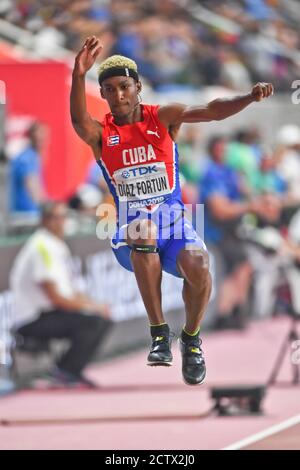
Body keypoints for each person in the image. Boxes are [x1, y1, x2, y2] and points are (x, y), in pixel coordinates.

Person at [70, 36, 273, 385]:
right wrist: (77, 76)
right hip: (131, 232)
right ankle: (159, 333)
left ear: (138, 87)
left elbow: (212, 110)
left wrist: (248, 98)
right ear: (102, 94)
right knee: (145, 229)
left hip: (175, 225)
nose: (118, 96)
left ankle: (191, 340)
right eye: (109, 89)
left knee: (200, 264)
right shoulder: (102, 133)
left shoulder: (164, 117)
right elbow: (77, 120)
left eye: (124, 87)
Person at [10, 201, 112, 388]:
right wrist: (91, 308)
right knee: (93, 322)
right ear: (45, 221)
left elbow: (71, 292)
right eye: (57, 218)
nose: (62, 222)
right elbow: (55, 297)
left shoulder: (57, 245)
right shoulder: (41, 247)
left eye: (64, 217)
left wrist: (96, 305)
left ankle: (70, 370)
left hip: (50, 312)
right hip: (32, 319)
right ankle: (64, 370)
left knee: (100, 318)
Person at [9, 122, 46, 214]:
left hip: (25, 212)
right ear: (31, 138)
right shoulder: (27, 158)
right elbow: (31, 186)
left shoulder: (32, 156)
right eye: (38, 139)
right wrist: (45, 207)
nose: (41, 142)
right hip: (25, 214)